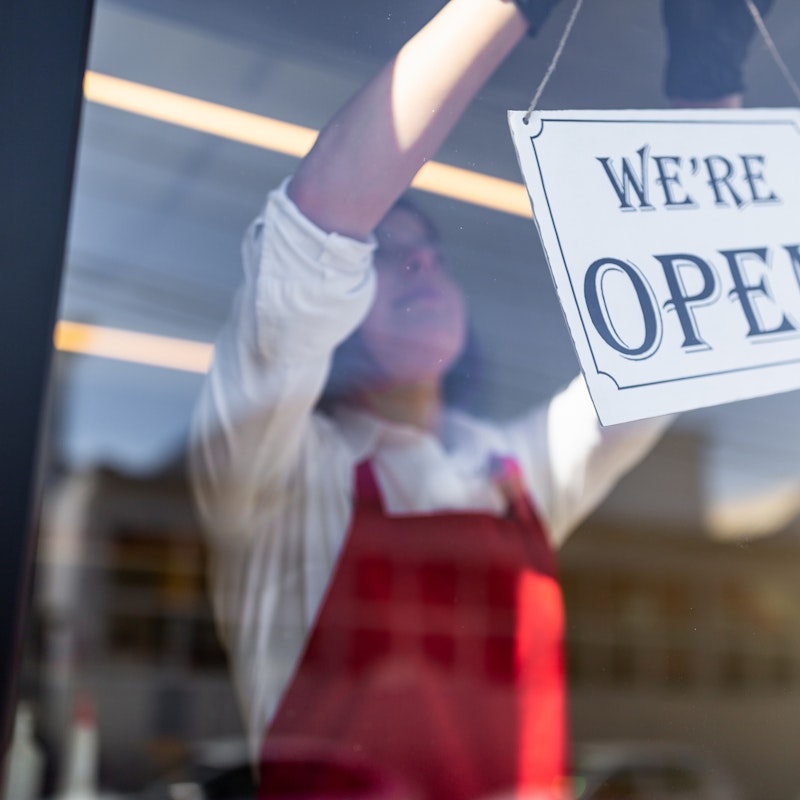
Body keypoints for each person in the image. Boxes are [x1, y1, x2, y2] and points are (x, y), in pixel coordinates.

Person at [189, 1, 772, 797]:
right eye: (385, 257)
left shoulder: (505, 473)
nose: (419, 267)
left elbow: (676, 344)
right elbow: (319, 222)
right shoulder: (278, 479)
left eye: (430, 255)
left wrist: (711, 75)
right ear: (341, 307)